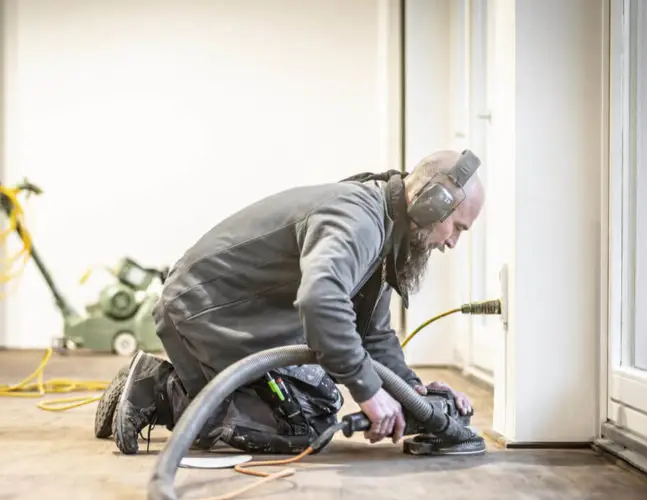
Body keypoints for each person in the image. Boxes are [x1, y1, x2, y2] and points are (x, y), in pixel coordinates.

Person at [97, 149, 485, 456]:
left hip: (234, 311)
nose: (452, 243)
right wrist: (368, 392)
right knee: (304, 422)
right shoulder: (359, 219)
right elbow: (321, 299)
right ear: (432, 202)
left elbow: (372, 333)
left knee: (311, 400)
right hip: (208, 309)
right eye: (457, 227)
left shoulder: (383, 232)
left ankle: (175, 388)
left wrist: (411, 393)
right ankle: (160, 389)